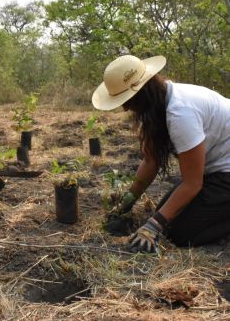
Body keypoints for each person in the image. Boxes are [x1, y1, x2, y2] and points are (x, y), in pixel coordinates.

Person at [92, 54, 230, 253]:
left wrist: (153, 226)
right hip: (216, 171)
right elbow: (151, 160)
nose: (124, 107)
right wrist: (130, 199)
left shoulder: (180, 113)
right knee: (165, 213)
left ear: (141, 94)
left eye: (127, 100)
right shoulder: (161, 100)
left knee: (179, 233)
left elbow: (193, 183)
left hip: (225, 173)